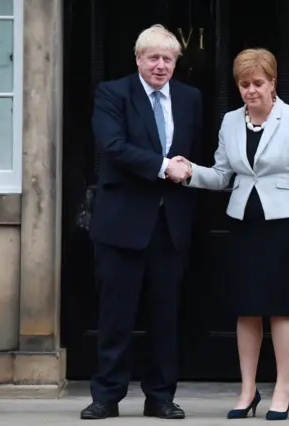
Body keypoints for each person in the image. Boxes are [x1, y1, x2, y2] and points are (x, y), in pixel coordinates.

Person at [174, 48, 289, 421]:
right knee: (247, 308)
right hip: (242, 226)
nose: (251, 90)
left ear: (273, 83)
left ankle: (283, 389)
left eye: (258, 83)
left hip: (285, 228)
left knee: (283, 309)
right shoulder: (229, 122)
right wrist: (191, 171)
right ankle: (247, 389)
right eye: (244, 84)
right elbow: (223, 175)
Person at [80, 24, 202, 420]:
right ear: (138, 59)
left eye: (168, 58)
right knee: (116, 316)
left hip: (170, 226)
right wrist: (166, 166)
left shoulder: (190, 98)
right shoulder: (112, 93)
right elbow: (113, 147)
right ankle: (107, 396)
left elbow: (194, 153)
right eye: (153, 58)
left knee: (165, 319)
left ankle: (161, 397)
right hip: (121, 226)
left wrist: (187, 167)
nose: (161, 65)